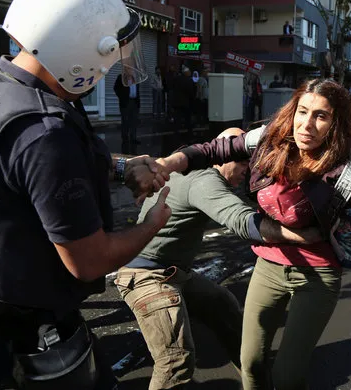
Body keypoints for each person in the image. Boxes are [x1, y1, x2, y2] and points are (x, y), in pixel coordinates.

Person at [0, 0, 171, 389]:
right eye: (112, 56)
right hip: (16, 324)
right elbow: (88, 261)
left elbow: (18, 171)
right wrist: (152, 223)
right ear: (82, 52)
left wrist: (117, 166)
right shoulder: (45, 131)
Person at [157, 78, 351, 390]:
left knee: (286, 377)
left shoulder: (339, 174)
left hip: (317, 275)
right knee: (250, 363)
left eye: (320, 116)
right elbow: (214, 149)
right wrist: (169, 162)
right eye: (302, 112)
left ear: (334, 124)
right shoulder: (266, 141)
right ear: (292, 111)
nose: (307, 124)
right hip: (268, 267)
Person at [117, 127, 327, 389]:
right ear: (222, 155)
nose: (246, 171)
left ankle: (257, 378)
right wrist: (302, 235)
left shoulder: (190, 162)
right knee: (175, 361)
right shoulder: (204, 180)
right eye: (241, 163)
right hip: (147, 276)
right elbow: (240, 220)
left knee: (223, 306)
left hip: (174, 271)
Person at [114, 72, 141, 153]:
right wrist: (122, 97)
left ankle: (133, 138)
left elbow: (137, 89)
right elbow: (116, 88)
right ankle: (125, 139)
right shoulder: (121, 77)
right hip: (126, 102)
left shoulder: (135, 77)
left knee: (134, 121)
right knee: (125, 121)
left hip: (134, 101)